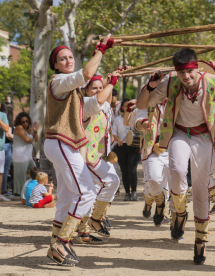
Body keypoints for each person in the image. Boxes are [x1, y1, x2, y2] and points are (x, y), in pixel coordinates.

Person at [136, 48, 215, 265]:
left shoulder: (213, 82)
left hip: (203, 137)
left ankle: (200, 241)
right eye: (182, 73)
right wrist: (150, 85)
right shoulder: (170, 83)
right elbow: (142, 104)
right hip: (178, 132)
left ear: (197, 68)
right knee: (178, 170)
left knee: (200, 187)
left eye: (190, 72)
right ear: (177, 72)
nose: (186, 77)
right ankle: (179, 212)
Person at [44, 36, 120, 266]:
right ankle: (63, 242)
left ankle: (55, 243)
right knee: (86, 192)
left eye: (70, 57)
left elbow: (94, 104)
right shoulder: (58, 81)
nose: (68, 60)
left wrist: (112, 82)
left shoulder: (75, 91)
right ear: (55, 65)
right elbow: (87, 75)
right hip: (61, 142)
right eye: (62, 58)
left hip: (65, 145)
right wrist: (101, 50)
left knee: (68, 198)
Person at [76, 73, 121, 244]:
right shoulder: (86, 103)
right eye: (93, 88)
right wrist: (112, 83)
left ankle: (83, 231)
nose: (97, 91)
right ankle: (96, 218)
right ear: (85, 90)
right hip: (86, 156)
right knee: (112, 181)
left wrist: (110, 80)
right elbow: (100, 100)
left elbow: (106, 101)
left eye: (100, 88)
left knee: (90, 193)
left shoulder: (104, 106)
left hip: (97, 155)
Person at [112, 99, 141, 201]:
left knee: (132, 169)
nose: (129, 107)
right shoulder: (117, 119)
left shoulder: (136, 118)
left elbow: (140, 130)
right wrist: (118, 140)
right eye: (126, 105)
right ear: (122, 107)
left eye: (131, 105)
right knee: (124, 170)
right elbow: (114, 133)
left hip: (134, 146)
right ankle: (127, 193)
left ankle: (134, 192)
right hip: (121, 147)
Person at [12, 112, 38, 196]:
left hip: (28, 156)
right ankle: (20, 194)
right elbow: (27, 140)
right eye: (23, 122)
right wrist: (33, 139)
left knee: (35, 172)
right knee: (21, 177)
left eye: (27, 121)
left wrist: (35, 131)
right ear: (20, 122)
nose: (25, 123)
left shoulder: (30, 128)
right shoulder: (19, 127)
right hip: (20, 156)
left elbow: (36, 139)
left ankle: (33, 191)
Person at [0, 102, 14, 197]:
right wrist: (20, 138)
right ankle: (3, 189)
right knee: (4, 169)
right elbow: (8, 135)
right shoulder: (7, 119)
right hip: (6, 146)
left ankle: (1, 189)